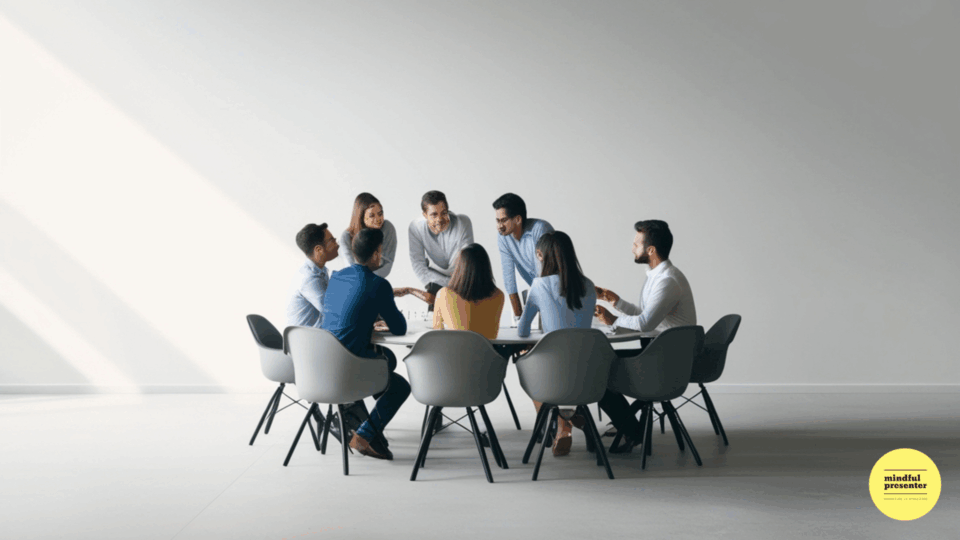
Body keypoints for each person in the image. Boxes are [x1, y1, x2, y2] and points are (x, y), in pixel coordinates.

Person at [593, 219, 697, 453]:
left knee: (597, 371)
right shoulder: (657, 276)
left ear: (650, 250)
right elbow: (646, 316)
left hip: (666, 360)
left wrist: (613, 320)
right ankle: (628, 425)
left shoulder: (667, 281)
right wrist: (615, 301)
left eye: (636, 244)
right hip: (658, 351)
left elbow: (645, 323)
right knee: (600, 364)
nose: (632, 248)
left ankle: (631, 429)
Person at [321, 228, 409, 460]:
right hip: (349, 366)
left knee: (388, 359)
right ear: (376, 254)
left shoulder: (337, 276)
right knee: (401, 386)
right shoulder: (378, 284)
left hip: (322, 360)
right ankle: (364, 435)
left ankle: (360, 415)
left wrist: (368, 318)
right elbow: (400, 328)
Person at [516, 231, 597, 456]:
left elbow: (522, 330)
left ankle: (559, 423)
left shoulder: (539, 285)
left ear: (540, 255)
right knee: (566, 367)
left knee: (523, 358)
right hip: (588, 375)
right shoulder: (589, 286)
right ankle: (571, 418)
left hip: (552, 376)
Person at [405, 190, 475, 309]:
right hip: (434, 282)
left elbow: (467, 262)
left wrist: (455, 287)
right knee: (437, 321)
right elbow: (418, 265)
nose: (440, 219)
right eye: (434, 215)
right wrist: (441, 286)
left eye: (444, 213)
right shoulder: (416, 228)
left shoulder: (462, 222)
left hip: (460, 280)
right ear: (425, 215)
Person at [492, 193, 554, 319]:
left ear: (518, 219)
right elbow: (509, 277)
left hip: (557, 289)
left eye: (503, 220)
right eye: (497, 221)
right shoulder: (503, 238)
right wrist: (518, 317)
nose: (499, 227)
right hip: (539, 289)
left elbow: (543, 274)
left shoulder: (540, 229)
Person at [286, 223, 339, 328]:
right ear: (319, 249)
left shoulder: (319, 271)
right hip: (308, 342)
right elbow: (333, 313)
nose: (337, 244)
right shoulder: (310, 278)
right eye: (332, 241)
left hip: (316, 337)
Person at [339, 193, 397, 278]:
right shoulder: (346, 237)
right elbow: (350, 268)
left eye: (380, 214)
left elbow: (387, 263)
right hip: (354, 282)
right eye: (372, 216)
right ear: (361, 217)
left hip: (376, 280)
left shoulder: (387, 228)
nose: (378, 219)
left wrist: (369, 280)